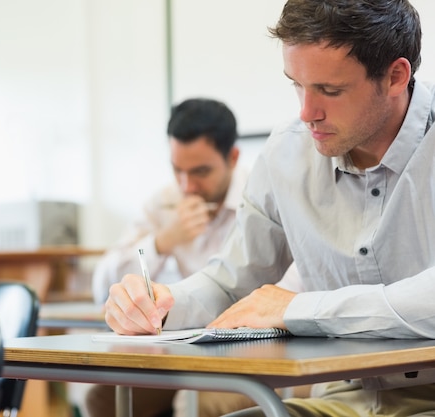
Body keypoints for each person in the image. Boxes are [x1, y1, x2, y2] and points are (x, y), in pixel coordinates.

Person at [103, 0, 435, 416]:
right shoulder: (286, 154)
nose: (306, 112)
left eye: (330, 91)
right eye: (296, 84)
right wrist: (165, 302)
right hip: (345, 400)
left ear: (395, 77)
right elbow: (231, 284)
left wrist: (295, 309)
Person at [87, 98, 305, 417]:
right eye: (178, 171)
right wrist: (163, 241)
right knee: (103, 400)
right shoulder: (165, 203)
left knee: (199, 402)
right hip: (181, 350)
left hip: (254, 352)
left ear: (232, 157)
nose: (188, 186)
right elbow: (101, 283)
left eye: (201, 171)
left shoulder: (263, 197)